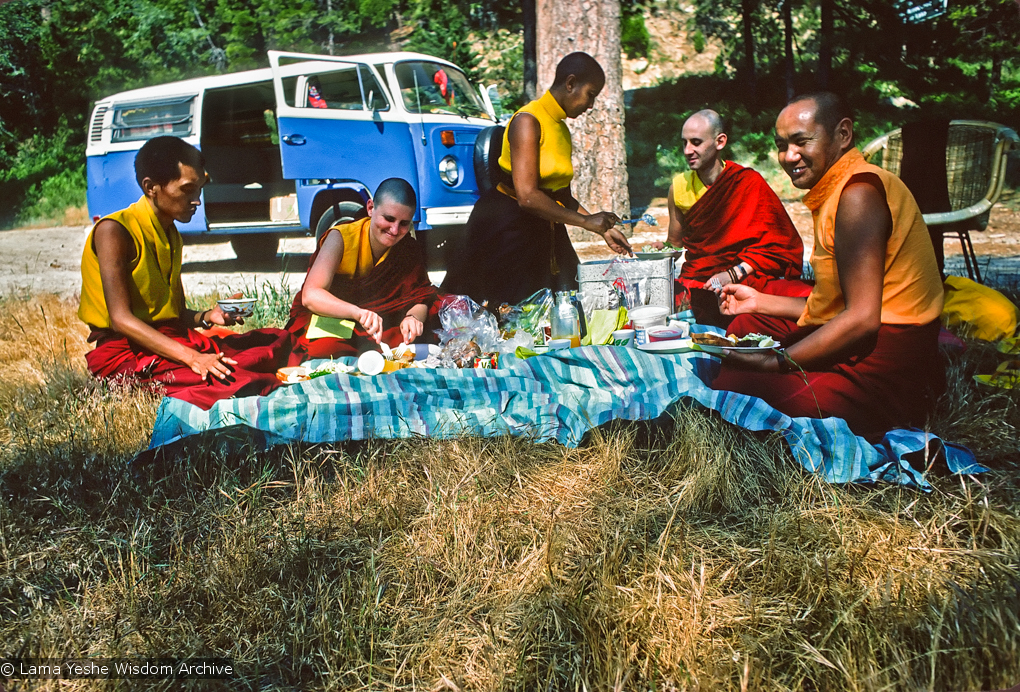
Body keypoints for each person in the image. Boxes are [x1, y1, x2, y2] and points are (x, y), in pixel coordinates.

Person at [710, 93, 946, 436]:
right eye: (781, 145)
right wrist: (759, 301)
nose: (789, 156)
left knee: (735, 391)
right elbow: (838, 303)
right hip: (868, 329)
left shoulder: (858, 194)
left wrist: (779, 362)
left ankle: (902, 400)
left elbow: (862, 319)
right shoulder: (839, 188)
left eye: (801, 141)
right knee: (750, 319)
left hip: (888, 353)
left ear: (843, 134)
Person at [79, 136, 292, 410]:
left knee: (275, 342)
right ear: (150, 187)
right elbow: (121, 319)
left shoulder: (170, 233)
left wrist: (208, 316)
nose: (197, 201)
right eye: (187, 190)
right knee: (235, 379)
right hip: (126, 352)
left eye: (199, 189)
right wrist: (192, 357)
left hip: (169, 341)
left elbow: (172, 315)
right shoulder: (114, 231)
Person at [441, 52, 632, 308]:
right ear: (571, 83)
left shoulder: (561, 128)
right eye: (591, 94)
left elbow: (560, 195)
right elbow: (528, 196)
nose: (590, 105)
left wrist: (604, 229)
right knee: (511, 312)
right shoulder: (528, 121)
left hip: (543, 226)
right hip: (506, 227)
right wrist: (586, 222)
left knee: (563, 305)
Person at [659, 109, 806, 327]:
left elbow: (779, 244)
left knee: (800, 298)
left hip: (746, 277)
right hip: (700, 281)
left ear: (720, 142)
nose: (688, 150)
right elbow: (675, 242)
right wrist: (659, 248)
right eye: (684, 143)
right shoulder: (679, 187)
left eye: (696, 142)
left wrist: (733, 274)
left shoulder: (747, 183)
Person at [286, 178, 438, 364]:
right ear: (371, 208)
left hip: (380, 323)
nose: (395, 230)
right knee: (326, 347)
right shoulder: (341, 238)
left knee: (418, 335)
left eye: (404, 223)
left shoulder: (407, 248)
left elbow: (420, 296)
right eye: (389, 219)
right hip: (337, 317)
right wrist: (358, 313)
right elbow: (310, 296)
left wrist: (413, 318)